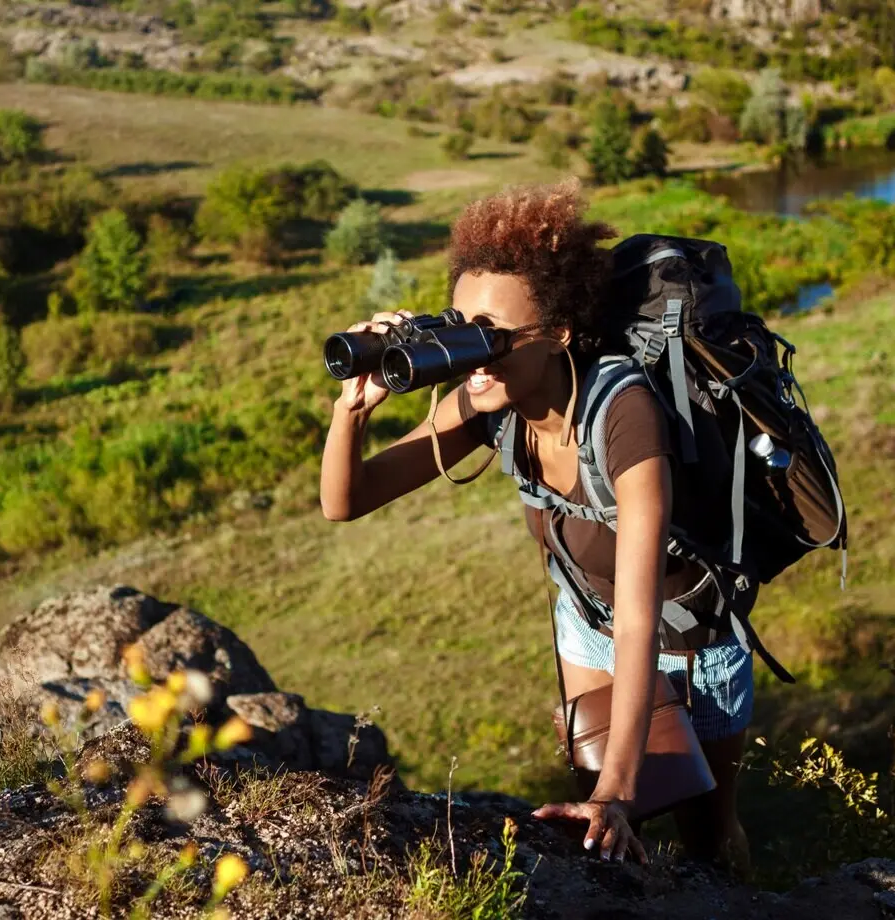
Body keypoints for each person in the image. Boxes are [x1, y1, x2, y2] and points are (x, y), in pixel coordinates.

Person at [319, 180, 753, 871]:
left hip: (687, 641)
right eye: (458, 328)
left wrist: (617, 788)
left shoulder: (624, 415)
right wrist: (353, 410)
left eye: (491, 335)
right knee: (606, 839)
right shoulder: (491, 397)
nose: (472, 353)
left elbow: (641, 619)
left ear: (559, 333)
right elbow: (348, 500)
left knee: (709, 841)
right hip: (585, 620)